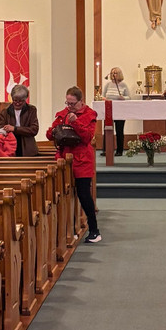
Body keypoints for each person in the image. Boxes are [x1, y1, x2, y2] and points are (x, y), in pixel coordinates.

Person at [46, 86, 102, 243]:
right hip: (64, 160)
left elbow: (87, 137)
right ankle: (70, 230)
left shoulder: (90, 114)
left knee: (84, 195)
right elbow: (49, 135)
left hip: (82, 160)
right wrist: (54, 130)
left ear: (81, 101)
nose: (69, 106)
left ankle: (94, 230)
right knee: (65, 196)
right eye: (67, 103)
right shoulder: (62, 113)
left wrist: (75, 122)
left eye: (72, 103)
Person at [0, 84, 39, 156]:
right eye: (15, 100)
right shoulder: (5, 112)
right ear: (12, 98)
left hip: (27, 148)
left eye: (21, 101)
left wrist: (15, 129)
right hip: (9, 146)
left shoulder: (31, 110)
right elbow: (0, 129)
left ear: (26, 99)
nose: (17, 103)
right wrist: (6, 129)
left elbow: (34, 130)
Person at [101, 66, 131, 155]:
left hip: (120, 110)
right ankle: (106, 150)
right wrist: (104, 99)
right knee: (107, 130)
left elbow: (129, 97)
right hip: (109, 110)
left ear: (119, 74)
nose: (113, 75)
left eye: (115, 73)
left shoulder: (123, 85)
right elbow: (103, 96)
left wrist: (123, 98)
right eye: (112, 73)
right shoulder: (108, 84)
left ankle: (119, 150)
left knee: (119, 130)